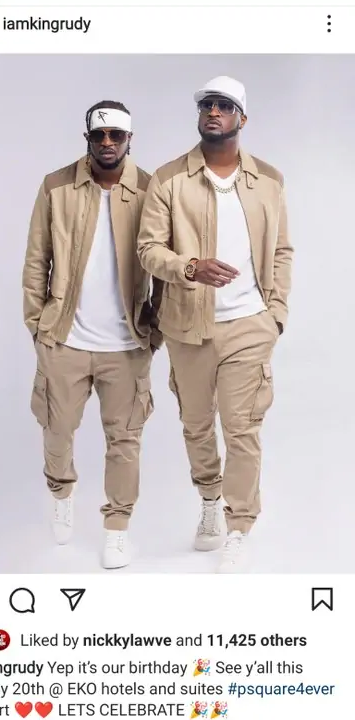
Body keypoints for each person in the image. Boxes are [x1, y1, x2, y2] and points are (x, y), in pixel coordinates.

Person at [137, 76, 293, 572]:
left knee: (242, 429)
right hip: (187, 325)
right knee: (197, 424)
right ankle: (209, 500)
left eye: (225, 106)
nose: (214, 112)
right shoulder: (169, 179)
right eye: (207, 104)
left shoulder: (268, 180)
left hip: (249, 325)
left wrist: (276, 315)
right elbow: (147, 249)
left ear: (241, 118)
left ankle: (239, 524)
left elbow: (282, 251)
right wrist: (190, 267)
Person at [23, 100, 162, 569]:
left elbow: (165, 267)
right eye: (98, 135)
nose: (107, 143)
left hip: (127, 346)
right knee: (56, 428)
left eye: (116, 135)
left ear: (129, 139)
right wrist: (38, 325)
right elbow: (37, 259)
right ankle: (61, 493)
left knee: (125, 441)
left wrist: (154, 331)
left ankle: (117, 528)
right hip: (65, 340)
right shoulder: (56, 185)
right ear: (87, 138)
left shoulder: (151, 190)